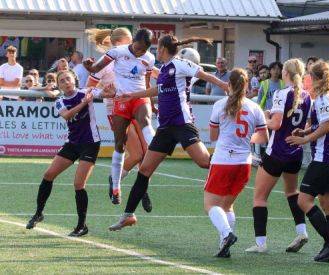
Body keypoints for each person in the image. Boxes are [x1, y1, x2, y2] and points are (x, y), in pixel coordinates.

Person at [107, 34, 228, 231]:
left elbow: (203, 74)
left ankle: (235, 160)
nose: (156, 51)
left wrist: (224, 86)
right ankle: (128, 215)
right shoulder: (164, 69)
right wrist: (132, 95)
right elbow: (157, 91)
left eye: (158, 48)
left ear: (162, 48)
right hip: (165, 128)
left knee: (204, 162)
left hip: (182, 124)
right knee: (144, 170)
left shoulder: (180, 64)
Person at [25, 70, 114, 236]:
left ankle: (82, 226)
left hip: (90, 143)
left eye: (68, 78)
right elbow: (66, 115)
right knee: (48, 174)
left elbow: (106, 92)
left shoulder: (86, 91)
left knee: (78, 184)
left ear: (74, 80)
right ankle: (38, 213)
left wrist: (109, 90)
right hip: (72, 143)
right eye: (62, 81)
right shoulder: (60, 101)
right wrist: (84, 103)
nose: (66, 82)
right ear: (59, 85)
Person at [84, 28, 156, 205]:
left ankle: (142, 190)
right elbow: (89, 87)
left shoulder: (145, 57)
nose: (137, 50)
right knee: (136, 154)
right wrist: (104, 92)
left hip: (137, 100)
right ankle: (115, 182)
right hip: (116, 107)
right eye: (131, 41)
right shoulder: (112, 57)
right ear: (122, 41)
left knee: (147, 151)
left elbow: (150, 77)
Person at [246, 58, 311, 254]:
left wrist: (263, 116)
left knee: (259, 198)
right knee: (292, 193)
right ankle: (301, 231)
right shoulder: (307, 96)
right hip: (295, 152)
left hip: (277, 152)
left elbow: (275, 125)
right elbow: (306, 125)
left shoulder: (282, 93)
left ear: (286, 74)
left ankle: (261, 243)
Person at [286, 60, 329, 262]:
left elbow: (327, 126)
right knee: (327, 202)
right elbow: (321, 124)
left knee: (303, 200)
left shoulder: (322, 99)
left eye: (310, 75)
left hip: (325, 157)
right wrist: (305, 130)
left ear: (317, 78)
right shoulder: (326, 96)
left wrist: (304, 139)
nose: (307, 78)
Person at [205, 68, 268, 258]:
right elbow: (263, 136)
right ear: (247, 85)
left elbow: (213, 136)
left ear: (229, 84)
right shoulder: (255, 107)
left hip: (223, 160)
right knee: (227, 206)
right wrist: (246, 139)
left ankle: (226, 234)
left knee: (210, 204)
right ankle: (225, 246)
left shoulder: (220, 104)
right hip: (244, 162)